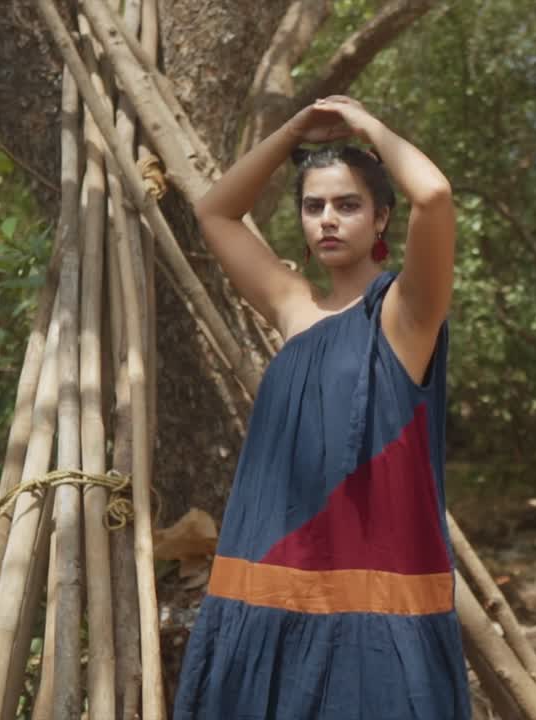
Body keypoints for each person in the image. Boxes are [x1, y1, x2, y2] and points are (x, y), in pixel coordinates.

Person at [172, 96, 468, 719]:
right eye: (314, 207)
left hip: (373, 617)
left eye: (348, 205)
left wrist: (369, 126)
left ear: (381, 218)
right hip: (267, 593)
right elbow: (215, 212)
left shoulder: (405, 316)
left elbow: (435, 195)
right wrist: (291, 132)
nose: (327, 220)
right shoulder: (293, 309)